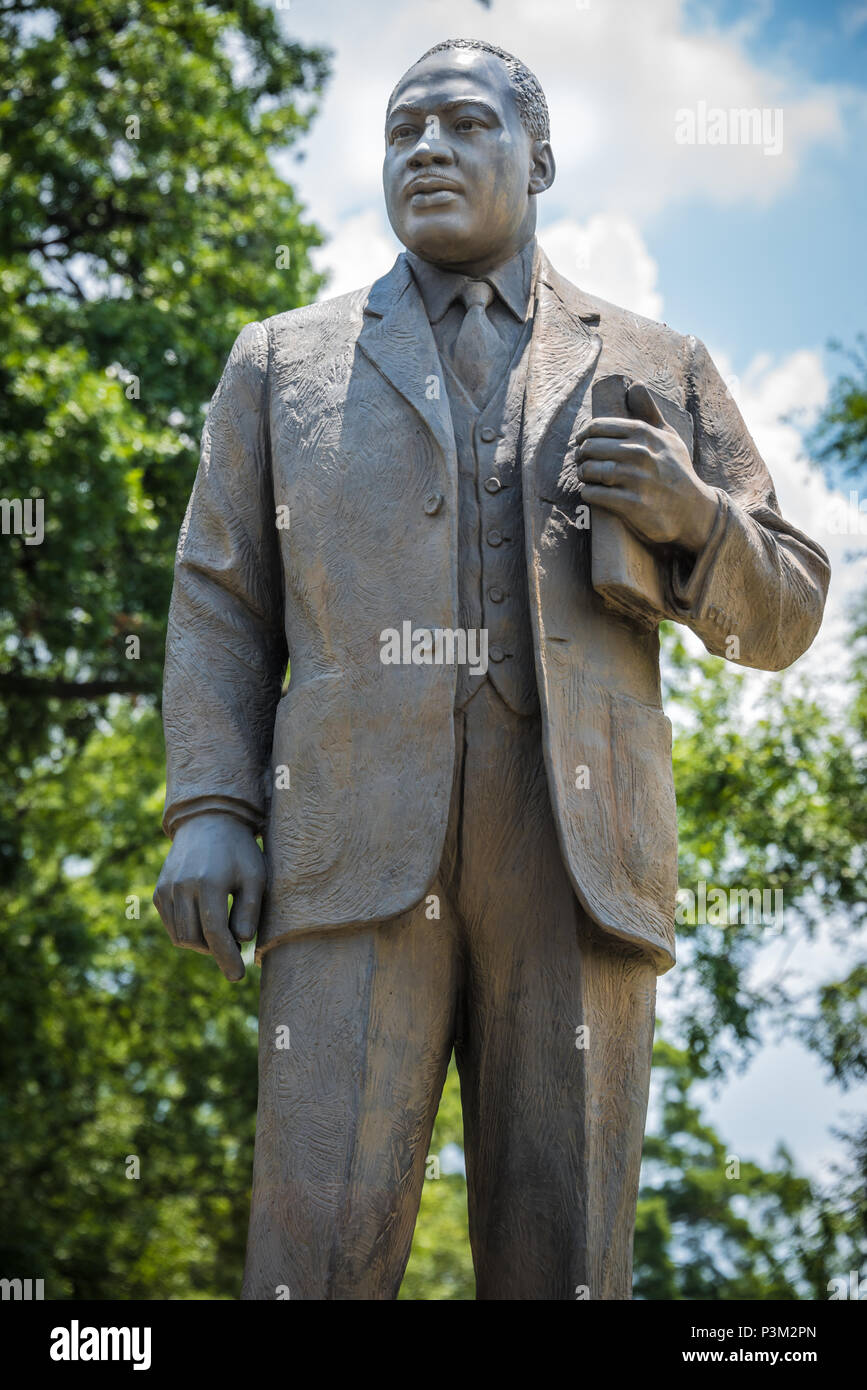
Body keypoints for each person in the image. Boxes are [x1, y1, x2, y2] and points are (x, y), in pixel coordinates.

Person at [154, 38, 829, 1300]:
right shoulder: (279, 362)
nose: (426, 148)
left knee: (568, 1260)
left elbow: (783, 621)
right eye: (402, 128)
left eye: (465, 123)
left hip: (578, 863)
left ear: (543, 157)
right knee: (308, 1261)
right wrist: (209, 806)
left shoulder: (657, 361)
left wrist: (698, 523)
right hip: (347, 851)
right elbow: (220, 601)